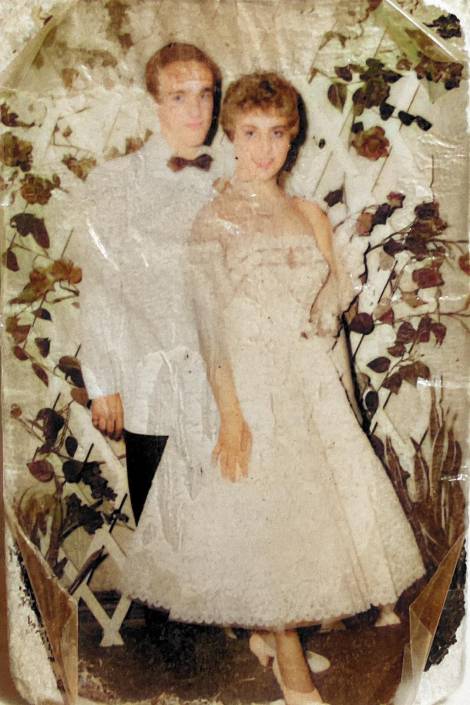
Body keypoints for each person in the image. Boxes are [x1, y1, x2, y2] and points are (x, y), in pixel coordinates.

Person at [119, 73, 425, 704]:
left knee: (304, 529)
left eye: (277, 134)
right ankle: (289, 664)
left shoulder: (310, 215)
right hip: (247, 388)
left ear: (292, 137)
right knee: (264, 526)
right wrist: (232, 417)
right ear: (230, 137)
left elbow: (329, 307)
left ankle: (268, 633)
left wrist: (329, 376)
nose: (264, 149)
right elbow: (210, 333)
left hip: (308, 388)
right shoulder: (214, 220)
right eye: (251, 134)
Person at [74, 42, 221, 524]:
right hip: (151, 382)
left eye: (205, 94)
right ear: (154, 103)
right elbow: (100, 285)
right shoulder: (116, 181)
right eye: (179, 96)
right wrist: (103, 383)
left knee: (227, 537)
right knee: (163, 530)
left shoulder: (232, 177)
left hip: (224, 388)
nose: (196, 109)